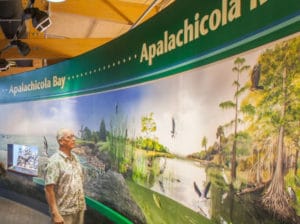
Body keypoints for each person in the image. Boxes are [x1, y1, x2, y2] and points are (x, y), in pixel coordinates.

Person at [44, 128, 86, 224]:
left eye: (73, 136)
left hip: (79, 209)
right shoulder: (54, 162)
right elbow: (48, 189)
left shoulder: (75, 158)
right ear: (61, 141)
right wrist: (55, 214)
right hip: (64, 213)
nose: (74, 139)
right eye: (69, 137)